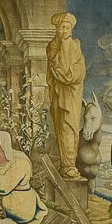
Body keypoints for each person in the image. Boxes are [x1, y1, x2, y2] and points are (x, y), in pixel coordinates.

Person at [47, 11, 86, 180]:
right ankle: (66, 165)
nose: (64, 31)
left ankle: (70, 165)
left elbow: (80, 69)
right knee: (62, 127)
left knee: (71, 127)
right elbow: (58, 67)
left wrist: (71, 76)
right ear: (57, 29)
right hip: (59, 94)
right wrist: (64, 45)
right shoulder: (52, 47)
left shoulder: (76, 46)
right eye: (61, 27)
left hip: (72, 93)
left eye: (67, 27)